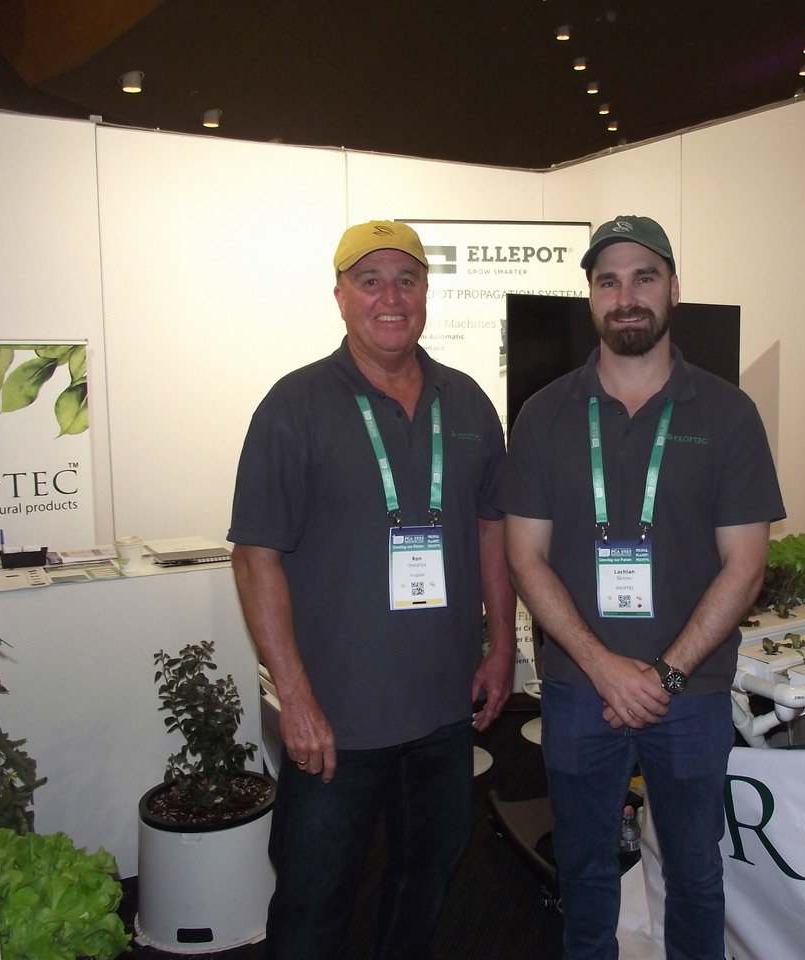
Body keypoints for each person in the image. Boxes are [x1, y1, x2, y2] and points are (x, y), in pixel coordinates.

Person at [228, 220, 516, 960]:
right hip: (335, 719)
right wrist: (295, 698)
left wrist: (502, 646)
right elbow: (255, 559)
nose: (391, 297)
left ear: (426, 292)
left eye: (406, 280)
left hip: (444, 707)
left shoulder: (468, 403)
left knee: (426, 878)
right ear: (340, 296)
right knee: (313, 899)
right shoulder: (294, 405)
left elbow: (492, 529)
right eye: (370, 281)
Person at [499, 215, 785, 960]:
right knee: (586, 874)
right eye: (608, 281)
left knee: (695, 876)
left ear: (674, 289)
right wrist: (605, 669)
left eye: (644, 277)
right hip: (578, 690)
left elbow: (746, 565)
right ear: (591, 297)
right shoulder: (543, 414)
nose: (626, 297)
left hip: (690, 695)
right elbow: (525, 557)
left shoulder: (728, 414)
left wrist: (665, 675)